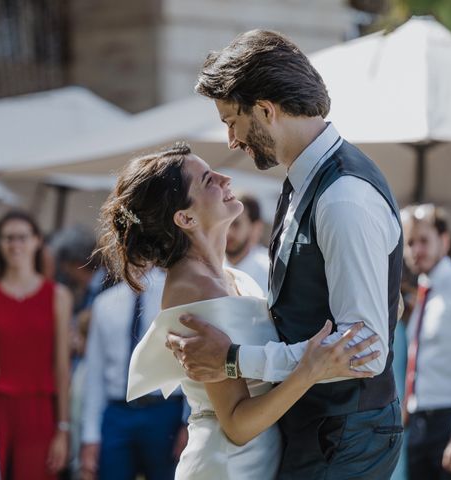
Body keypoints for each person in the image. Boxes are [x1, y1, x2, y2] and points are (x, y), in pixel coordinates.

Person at [166, 30, 405, 478]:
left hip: (344, 437)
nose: (232, 139)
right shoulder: (305, 181)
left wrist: (235, 359)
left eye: (230, 120)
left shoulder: (343, 198)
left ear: (265, 110)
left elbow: (364, 352)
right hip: (318, 428)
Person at [97, 144, 378, 479]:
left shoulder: (228, 276)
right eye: (207, 180)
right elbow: (237, 424)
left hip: (256, 460)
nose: (225, 177)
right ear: (185, 218)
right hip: (227, 465)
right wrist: (310, 370)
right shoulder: (195, 290)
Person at [0, 211, 72, 480]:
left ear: (37, 241)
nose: (15, 244)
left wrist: (63, 428)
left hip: (39, 408)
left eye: (22, 237)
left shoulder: (57, 296)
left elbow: (62, 367)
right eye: (8, 238)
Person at [80, 268, 188, 480]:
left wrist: (188, 422)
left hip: (164, 410)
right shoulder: (105, 303)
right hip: (117, 412)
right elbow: (95, 374)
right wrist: (89, 436)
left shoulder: (173, 297)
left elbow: (187, 364)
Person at [401, 204, 451, 479]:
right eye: (410, 243)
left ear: (444, 241)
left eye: (423, 241)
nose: (416, 250)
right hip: (419, 425)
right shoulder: (423, 295)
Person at [225, 194, 269, 293]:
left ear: (256, 227)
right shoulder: (204, 267)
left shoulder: (272, 273)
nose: (228, 232)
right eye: (225, 223)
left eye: (236, 224)